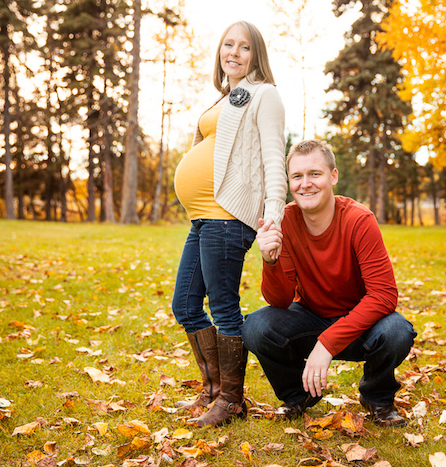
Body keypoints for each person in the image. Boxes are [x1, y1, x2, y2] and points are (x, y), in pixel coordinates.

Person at [242, 139, 417, 427]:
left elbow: (384, 295)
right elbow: (280, 302)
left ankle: (377, 398)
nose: (305, 184)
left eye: (315, 174)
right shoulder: (283, 220)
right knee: (255, 326)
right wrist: (270, 261)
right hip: (309, 317)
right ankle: (299, 396)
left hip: (362, 323)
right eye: (297, 176)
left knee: (397, 331)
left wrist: (327, 344)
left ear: (333, 176)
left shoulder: (359, 220)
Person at [171, 20, 286, 427]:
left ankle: (231, 400)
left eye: (244, 47)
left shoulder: (264, 94)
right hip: (201, 217)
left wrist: (274, 214)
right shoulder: (227, 97)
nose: (233, 53)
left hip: (227, 217)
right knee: (185, 305)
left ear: (256, 56)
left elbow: (274, 157)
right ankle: (213, 392)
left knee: (222, 308)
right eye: (227, 45)